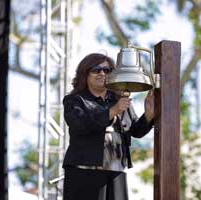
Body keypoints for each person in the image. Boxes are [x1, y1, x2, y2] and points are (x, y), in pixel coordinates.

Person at [62, 53, 154, 200]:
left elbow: (136, 131)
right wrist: (113, 111)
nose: (102, 73)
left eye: (107, 70)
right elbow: (80, 125)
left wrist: (149, 115)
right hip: (84, 173)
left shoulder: (119, 100)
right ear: (85, 73)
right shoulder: (74, 100)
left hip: (116, 171)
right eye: (96, 69)